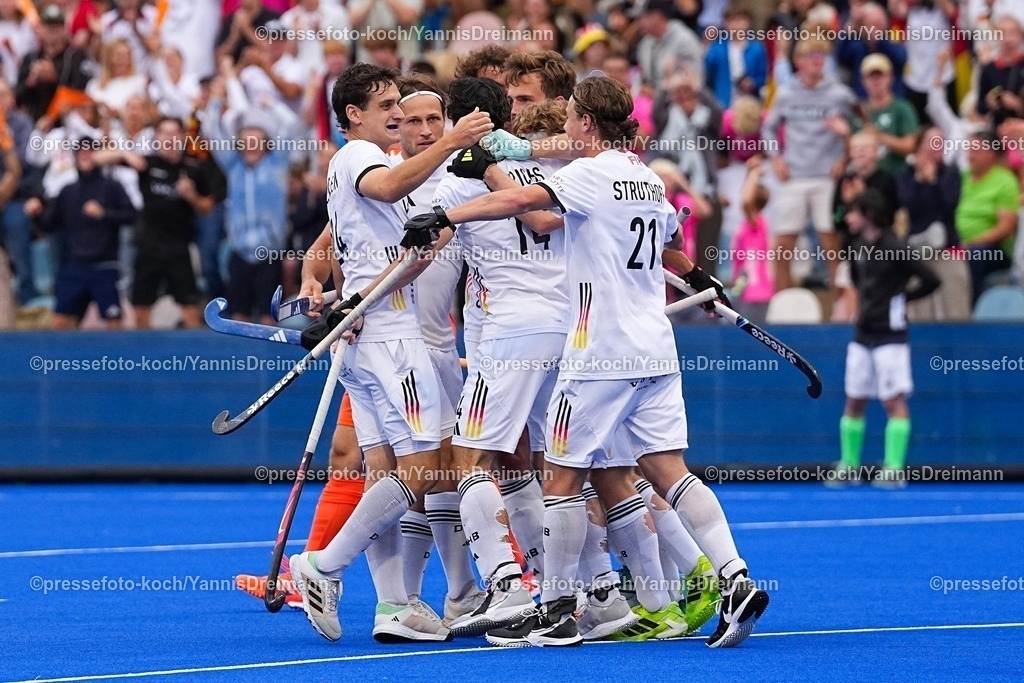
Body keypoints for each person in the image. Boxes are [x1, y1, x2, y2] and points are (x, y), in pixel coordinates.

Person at [407, 75, 768, 649]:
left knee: (564, 478)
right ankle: (736, 578)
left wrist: (452, 216)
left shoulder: (586, 175)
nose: (567, 125)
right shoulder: (649, 179)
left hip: (599, 352)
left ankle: (554, 609)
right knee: (668, 470)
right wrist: (699, 275)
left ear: (586, 124)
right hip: (656, 348)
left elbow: (523, 201)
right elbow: (670, 244)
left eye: (572, 116)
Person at [288, 63, 492, 644]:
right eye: (387, 106)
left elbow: (386, 247)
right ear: (354, 116)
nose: (398, 115)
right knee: (429, 466)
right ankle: (323, 566)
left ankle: (394, 606)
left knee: (390, 474)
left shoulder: (370, 164)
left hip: (368, 334)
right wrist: (452, 141)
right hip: (392, 340)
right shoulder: (359, 157)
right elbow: (385, 188)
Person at [832, 189, 940, 487]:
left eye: (853, 212)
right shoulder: (855, 246)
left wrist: (903, 297)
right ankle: (849, 465)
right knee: (854, 399)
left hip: (891, 336)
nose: (848, 218)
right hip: (862, 334)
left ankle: (893, 467)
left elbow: (932, 279)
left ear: (866, 213)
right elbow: (855, 278)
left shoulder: (895, 246)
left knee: (893, 400)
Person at [97, 117, 213, 329]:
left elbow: (207, 209)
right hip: (148, 246)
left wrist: (191, 196)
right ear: (157, 137)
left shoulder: (193, 169)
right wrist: (124, 153)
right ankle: (144, 356)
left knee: (189, 306)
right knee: (141, 307)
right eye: (164, 134)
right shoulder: (147, 163)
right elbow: (97, 158)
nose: (169, 139)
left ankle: (198, 355)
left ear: (181, 137)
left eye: (174, 134)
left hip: (179, 247)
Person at [764, 37, 856, 291]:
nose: (818, 61)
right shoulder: (786, 93)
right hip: (793, 176)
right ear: (799, 62)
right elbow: (768, 128)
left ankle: (840, 310)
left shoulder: (840, 94)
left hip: (827, 178)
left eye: (822, 56)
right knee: (782, 245)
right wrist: (775, 157)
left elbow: (862, 126)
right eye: (812, 56)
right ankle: (780, 308)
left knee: (831, 245)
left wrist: (846, 156)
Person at [26, 138, 135, 329]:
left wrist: (104, 214)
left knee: (114, 326)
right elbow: (48, 225)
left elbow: (131, 216)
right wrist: (35, 214)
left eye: (90, 151)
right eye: (81, 152)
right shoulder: (67, 191)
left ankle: (116, 359)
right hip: (75, 267)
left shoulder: (112, 187)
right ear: (75, 157)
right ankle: (61, 360)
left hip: (105, 266)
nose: (85, 155)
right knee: (60, 323)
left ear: (98, 155)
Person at [955, 130, 1020, 302]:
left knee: (976, 255)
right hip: (959, 243)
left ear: (991, 153)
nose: (971, 155)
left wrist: (971, 244)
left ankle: (973, 311)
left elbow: (1005, 228)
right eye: (969, 149)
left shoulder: (1004, 181)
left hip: (994, 250)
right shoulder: (961, 178)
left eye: (976, 150)